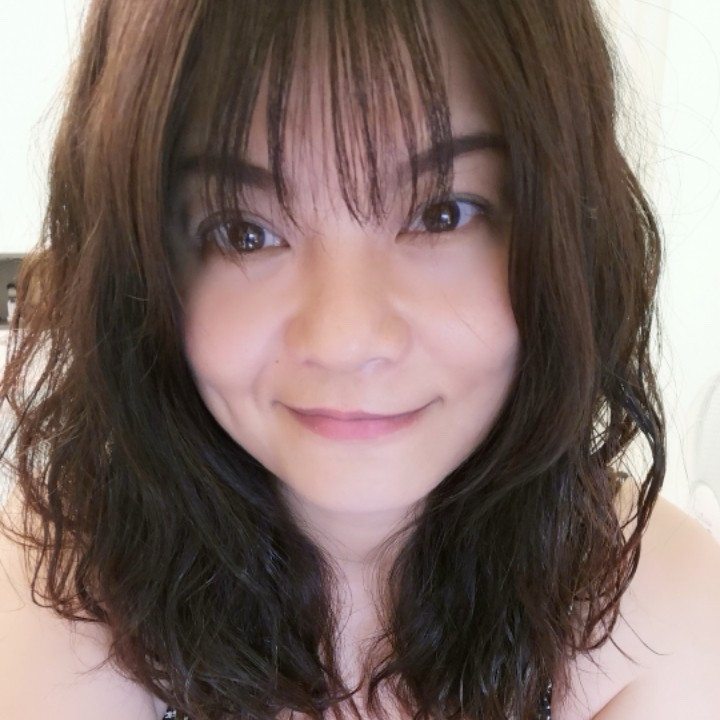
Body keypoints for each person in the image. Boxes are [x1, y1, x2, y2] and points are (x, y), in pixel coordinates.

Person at [1, 1, 719, 718]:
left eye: (444, 213)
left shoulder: (660, 613)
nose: (345, 340)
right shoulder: (59, 589)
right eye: (242, 230)